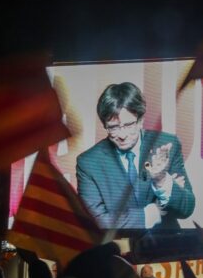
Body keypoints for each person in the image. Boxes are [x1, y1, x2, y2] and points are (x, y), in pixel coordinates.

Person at [76, 82, 195, 229]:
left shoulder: (167, 145)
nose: (122, 135)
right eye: (113, 127)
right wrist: (153, 213)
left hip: (166, 246)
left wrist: (162, 180)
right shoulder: (88, 162)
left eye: (129, 125)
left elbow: (187, 209)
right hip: (118, 248)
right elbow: (95, 222)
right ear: (104, 125)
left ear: (141, 120)